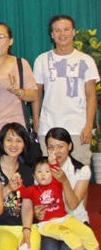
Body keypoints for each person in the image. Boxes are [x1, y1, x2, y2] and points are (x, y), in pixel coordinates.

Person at [33, 15, 98, 170]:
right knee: (49, 173)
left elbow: (91, 96)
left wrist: (89, 125)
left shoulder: (86, 60)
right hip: (49, 125)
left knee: (80, 172)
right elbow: (37, 94)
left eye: (66, 29)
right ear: (52, 34)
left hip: (77, 127)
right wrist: (36, 121)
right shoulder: (42, 60)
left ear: (74, 32)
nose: (62, 34)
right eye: (57, 30)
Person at [23, 156, 100, 250]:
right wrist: (16, 183)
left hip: (65, 219)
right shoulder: (32, 189)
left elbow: (57, 172)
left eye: (47, 171)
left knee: (86, 232)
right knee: (66, 234)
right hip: (47, 224)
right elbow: (21, 192)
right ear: (34, 175)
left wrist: (53, 162)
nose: (43, 174)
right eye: (39, 171)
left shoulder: (56, 184)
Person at [40, 127, 92, 250]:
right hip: (51, 223)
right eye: (50, 147)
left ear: (70, 146)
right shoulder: (41, 170)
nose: (55, 151)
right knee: (50, 249)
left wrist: (64, 181)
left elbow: (73, 205)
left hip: (76, 219)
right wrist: (37, 211)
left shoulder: (81, 170)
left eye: (60, 146)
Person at [0, 23, 38, 160]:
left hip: (15, 134)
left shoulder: (20, 64)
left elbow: (34, 95)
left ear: (10, 41)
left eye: (0, 37)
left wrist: (20, 92)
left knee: (18, 172)